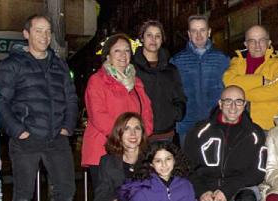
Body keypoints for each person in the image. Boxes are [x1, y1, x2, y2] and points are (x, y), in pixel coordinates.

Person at [0, 15, 78, 201]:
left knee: (66, 191)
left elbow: (71, 97)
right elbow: (0, 101)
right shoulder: (12, 65)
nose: (44, 36)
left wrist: (67, 126)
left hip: (56, 139)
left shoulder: (59, 64)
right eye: (38, 31)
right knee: (22, 197)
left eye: (48, 31)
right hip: (26, 141)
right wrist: (18, 131)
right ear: (26, 34)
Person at [82, 33, 154, 171]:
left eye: (127, 50)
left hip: (132, 151)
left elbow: (147, 112)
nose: (123, 55)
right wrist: (124, 137)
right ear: (108, 56)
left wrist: (141, 135)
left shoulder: (136, 82)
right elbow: (98, 116)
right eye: (117, 51)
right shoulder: (97, 81)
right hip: (103, 150)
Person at [171, 15, 230, 140]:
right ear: (188, 34)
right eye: (194, 31)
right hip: (187, 126)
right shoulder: (176, 61)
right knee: (188, 160)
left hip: (216, 124)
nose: (198, 35)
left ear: (209, 32)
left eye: (202, 30)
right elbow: (171, 93)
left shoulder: (223, 59)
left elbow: (229, 90)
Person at [223, 24, 278, 130]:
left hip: (269, 128)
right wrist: (261, 80)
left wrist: (240, 96)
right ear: (246, 44)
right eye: (252, 41)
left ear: (269, 43)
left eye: (262, 40)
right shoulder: (236, 62)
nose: (257, 45)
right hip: (238, 126)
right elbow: (228, 82)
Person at [132, 20, 186, 143]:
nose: (153, 39)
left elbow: (180, 97)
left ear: (162, 40)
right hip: (140, 134)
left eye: (158, 36)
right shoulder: (132, 68)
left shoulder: (171, 69)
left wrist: (175, 114)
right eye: (149, 35)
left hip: (165, 133)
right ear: (142, 38)